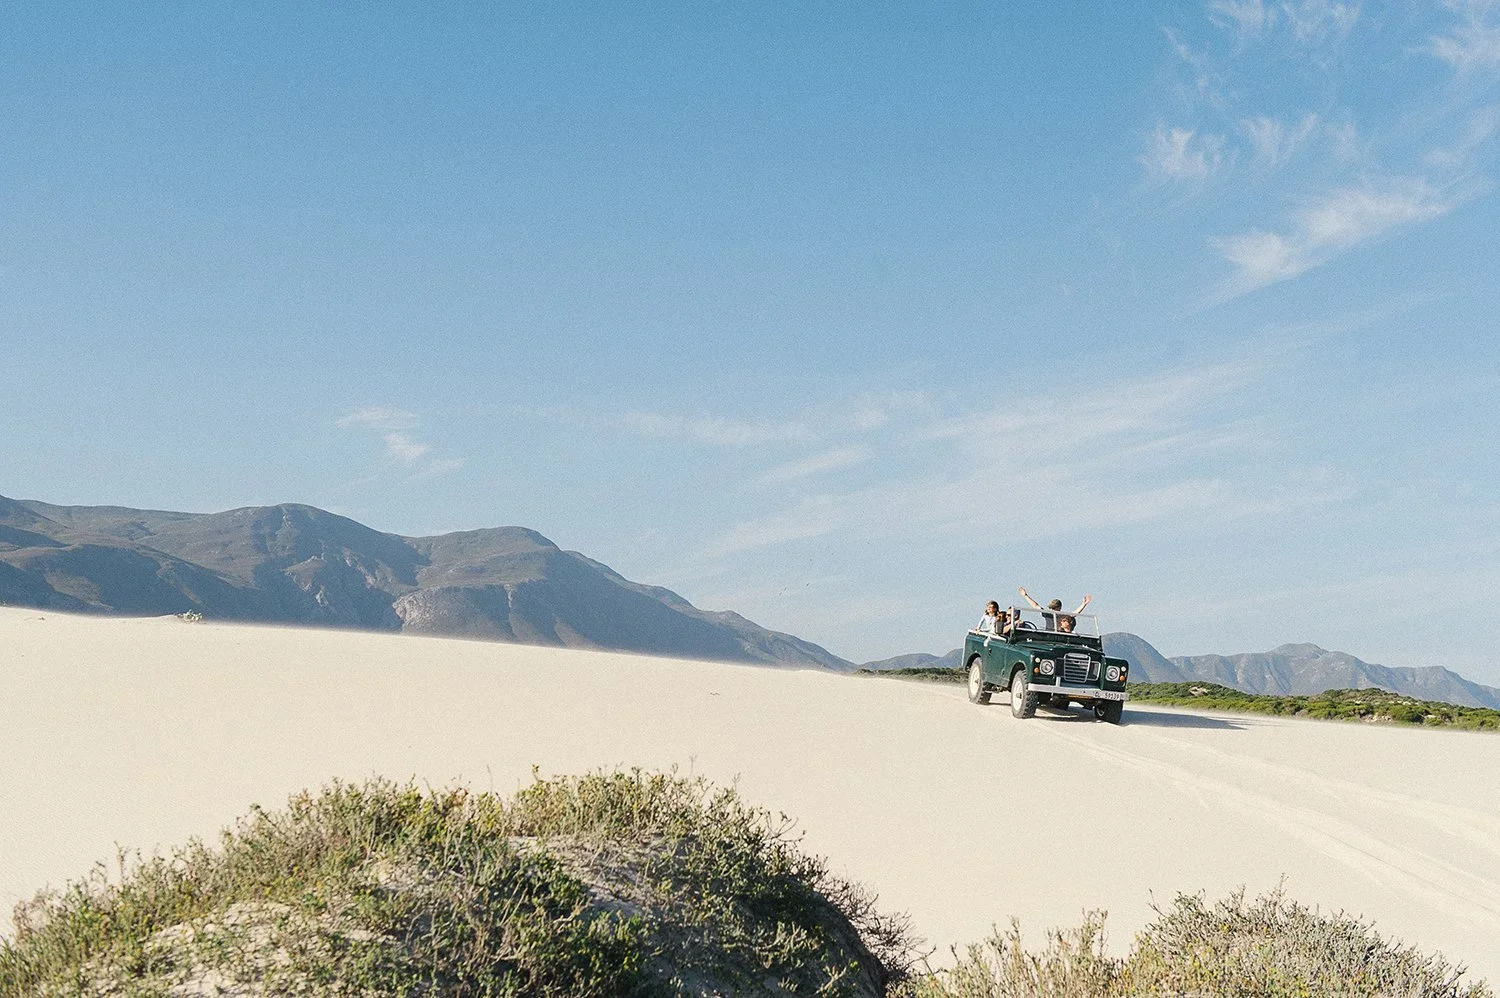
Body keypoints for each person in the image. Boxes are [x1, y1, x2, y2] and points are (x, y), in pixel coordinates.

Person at [1018, 588, 1091, 631]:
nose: (1053, 610)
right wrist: (1025, 596)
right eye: (1051, 608)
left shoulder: (1063, 616)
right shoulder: (1047, 613)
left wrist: (1084, 604)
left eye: (1055, 608)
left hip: (1060, 637)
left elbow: (1074, 613)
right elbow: (1036, 606)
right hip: (1049, 636)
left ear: (1059, 608)